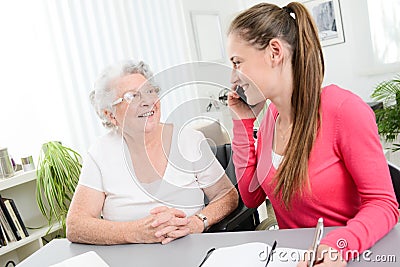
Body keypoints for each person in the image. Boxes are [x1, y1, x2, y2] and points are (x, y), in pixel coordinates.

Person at [226, 2, 399, 266]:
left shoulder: (344, 110)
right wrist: (243, 123)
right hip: (295, 259)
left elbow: (384, 204)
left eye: (238, 62)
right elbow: (252, 197)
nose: (233, 78)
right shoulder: (272, 116)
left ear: (274, 52)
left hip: (348, 257)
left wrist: (339, 246)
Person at [66, 60, 238, 245]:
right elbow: (76, 225)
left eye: (149, 91)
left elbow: (227, 195)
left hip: (190, 248)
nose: (147, 101)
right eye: (132, 96)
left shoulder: (189, 139)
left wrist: (197, 222)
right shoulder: (100, 153)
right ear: (110, 115)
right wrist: (135, 232)